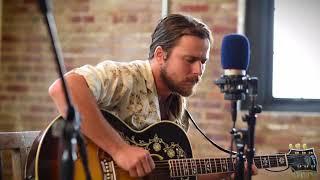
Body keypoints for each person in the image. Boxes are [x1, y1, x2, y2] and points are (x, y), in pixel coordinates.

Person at [49, 13, 257, 179]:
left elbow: (169, 173)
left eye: (203, 61)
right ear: (160, 55)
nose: (198, 71)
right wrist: (120, 150)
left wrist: (229, 170)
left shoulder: (177, 107)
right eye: (189, 59)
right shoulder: (126, 77)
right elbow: (63, 88)